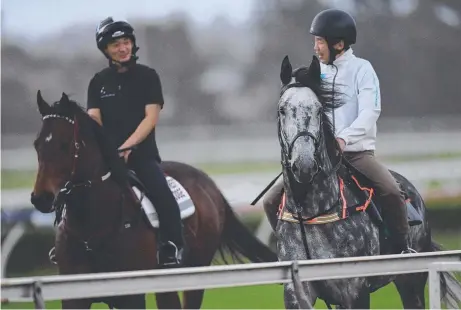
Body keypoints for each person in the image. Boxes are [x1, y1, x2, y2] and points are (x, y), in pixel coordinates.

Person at [263, 8, 415, 254]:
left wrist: (344, 139)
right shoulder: (317, 73)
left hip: (357, 154)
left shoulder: (363, 70)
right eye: (315, 41)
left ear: (339, 44)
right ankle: (287, 248)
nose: (315, 47)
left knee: (391, 191)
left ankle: (403, 248)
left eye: (320, 42)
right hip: (319, 159)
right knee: (270, 201)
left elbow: (370, 112)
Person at [86, 17, 185, 267]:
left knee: (164, 197)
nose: (123, 48)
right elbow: (93, 120)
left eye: (126, 42)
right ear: (105, 50)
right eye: (116, 44)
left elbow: (150, 118)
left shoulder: (148, 77)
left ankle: (172, 246)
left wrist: (127, 147)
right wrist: (109, 150)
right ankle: (71, 244)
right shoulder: (98, 82)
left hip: (142, 157)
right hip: (107, 158)